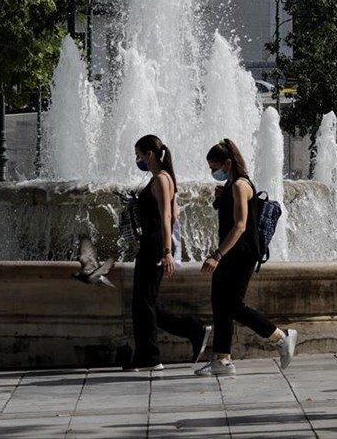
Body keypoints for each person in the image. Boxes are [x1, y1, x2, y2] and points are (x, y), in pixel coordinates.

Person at [196, 138, 297, 377]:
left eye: (215, 168)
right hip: (231, 252)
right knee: (219, 303)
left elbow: (240, 226)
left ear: (228, 163)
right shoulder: (232, 184)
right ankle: (222, 359)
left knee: (232, 304)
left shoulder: (240, 185)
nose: (213, 173)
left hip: (240, 253)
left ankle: (280, 337)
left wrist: (217, 255)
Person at [125, 134, 213, 372]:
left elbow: (167, 217)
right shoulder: (161, 179)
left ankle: (151, 357)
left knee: (143, 301)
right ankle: (192, 330)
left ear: (149, 155)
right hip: (152, 242)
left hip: (155, 244)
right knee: (146, 301)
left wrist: (166, 251)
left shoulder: (162, 180)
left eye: (138, 155)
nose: (137, 160)